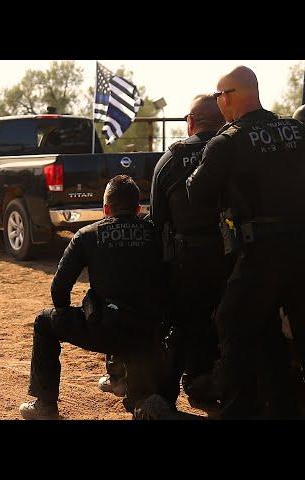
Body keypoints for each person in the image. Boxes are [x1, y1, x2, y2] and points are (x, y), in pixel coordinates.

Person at [187, 66, 305, 419]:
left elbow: (197, 192)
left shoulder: (229, 141)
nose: (219, 102)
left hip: (262, 253)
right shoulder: (297, 130)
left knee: (233, 321)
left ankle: (240, 407)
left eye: (220, 95)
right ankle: (284, 403)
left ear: (232, 96)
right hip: (301, 246)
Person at [19, 175, 169, 419]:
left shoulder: (87, 235)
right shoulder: (156, 234)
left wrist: (75, 315)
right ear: (138, 209)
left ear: (106, 209)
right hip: (149, 334)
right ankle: (118, 377)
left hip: (105, 332)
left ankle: (45, 405)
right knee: (123, 302)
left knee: (46, 321)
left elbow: (59, 291)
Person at [149, 94, 230, 405]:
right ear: (223, 120)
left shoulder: (171, 159)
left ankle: (177, 387)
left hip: (187, 261)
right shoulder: (235, 150)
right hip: (235, 258)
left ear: (191, 122)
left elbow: (157, 221)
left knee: (183, 322)